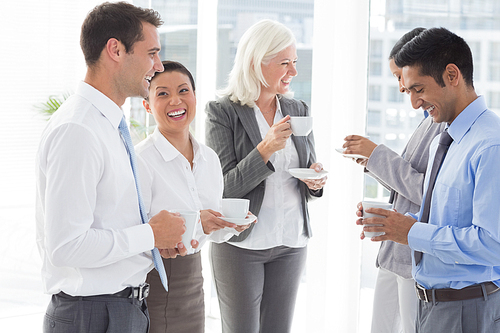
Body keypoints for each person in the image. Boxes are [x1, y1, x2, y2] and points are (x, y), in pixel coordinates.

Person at [35, 3, 186, 333]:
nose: (158, 66)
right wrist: (149, 233)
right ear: (115, 49)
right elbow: (66, 247)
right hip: (93, 315)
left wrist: (151, 239)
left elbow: (106, 219)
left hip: (121, 309)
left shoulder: (109, 125)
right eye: (151, 53)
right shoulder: (79, 129)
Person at [358, 27, 500, 333]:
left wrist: (413, 233)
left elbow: (492, 244)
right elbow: (447, 215)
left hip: (467, 310)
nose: (414, 103)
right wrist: (395, 223)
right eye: (408, 91)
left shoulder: (491, 146)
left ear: (452, 75)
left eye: (418, 89)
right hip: (431, 306)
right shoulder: (448, 138)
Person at [205, 19, 327, 333]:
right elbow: (225, 186)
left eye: (295, 62)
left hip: (291, 240)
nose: (294, 71)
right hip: (241, 244)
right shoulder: (223, 112)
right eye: (284, 63)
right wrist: (266, 148)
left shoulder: (297, 108)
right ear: (256, 63)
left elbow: (308, 166)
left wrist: (315, 180)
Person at [136, 60, 254, 333]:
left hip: (194, 280)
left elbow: (210, 230)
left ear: (195, 97)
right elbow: (135, 232)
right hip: (154, 279)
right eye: (162, 94)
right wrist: (198, 222)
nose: (175, 100)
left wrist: (229, 225)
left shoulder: (209, 158)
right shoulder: (141, 160)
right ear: (147, 105)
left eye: (183, 90)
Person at [343, 28, 446, 333]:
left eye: (401, 76)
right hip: (395, 253)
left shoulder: (444, 124)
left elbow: (426, 190)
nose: (402, 87)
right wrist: (372, 165)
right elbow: (408, 183)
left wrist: (377, 155)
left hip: (413, 254)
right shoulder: (428, 121)